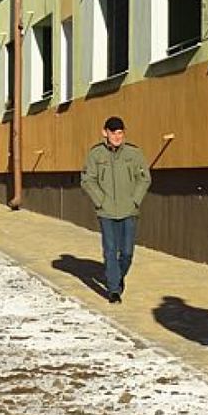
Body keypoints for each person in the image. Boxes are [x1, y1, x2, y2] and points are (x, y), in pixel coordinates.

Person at [80, 116, 151, 304]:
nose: (117, 136)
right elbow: (87, 180)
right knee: (110, 251)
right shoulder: (96, 155)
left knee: (127, 252)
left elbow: (144, 178)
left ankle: (118, 276)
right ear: (105, 133)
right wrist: (100, 200)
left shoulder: (134, 154)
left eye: (120, 132)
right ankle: (113, 290)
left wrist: (135, 200)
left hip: (129, 210)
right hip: (106, 211)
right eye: (113, 132)